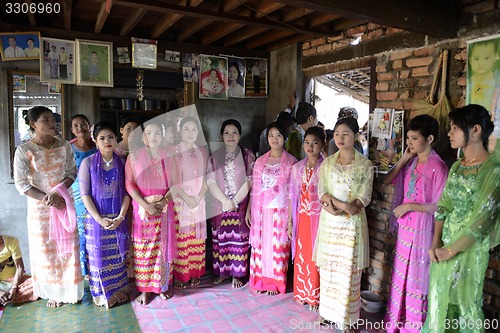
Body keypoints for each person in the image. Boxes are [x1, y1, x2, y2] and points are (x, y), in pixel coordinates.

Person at [422, 104, 499, 333]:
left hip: (469, 252)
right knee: (438, 301)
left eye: (455, 128)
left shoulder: (493, 170)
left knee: (464, 306)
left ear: (475, 131)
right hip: (444, 247)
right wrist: (436, 242)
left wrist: (452, 250)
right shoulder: (456, 166)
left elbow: (483, 220)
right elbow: (443, 206)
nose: (449, 133)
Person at [383, 115, 448, 332]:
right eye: (408, 138)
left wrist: (410, 206)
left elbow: (440, 206)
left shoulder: (438, 167)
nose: (409, 142)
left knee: (416, 281)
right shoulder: (412, 162)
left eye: (414, 138)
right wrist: (403, 158)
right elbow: (388, 178)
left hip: (422, 231)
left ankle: (413, 327)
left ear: (429, 138)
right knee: (401, 277)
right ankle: (397, 324)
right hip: (405, 230)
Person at [14, 106, 83, 308]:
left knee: (68, 248)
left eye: (53, 119)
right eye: (46, 120)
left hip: (64, 205)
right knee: (47, 251)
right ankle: (54, 292)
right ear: (33, 124)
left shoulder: (64, 145)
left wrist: (58, 194)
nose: (52, 123)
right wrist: (49, 199)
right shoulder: (25, 150)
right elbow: (22, 184)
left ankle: (71, 290)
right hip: (40, 211)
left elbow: (72, 172)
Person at [314, 117, 374, 329]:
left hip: (351, 226)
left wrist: (351, 206)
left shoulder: (365, 164)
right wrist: (339, 206)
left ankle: (347, 319)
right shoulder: (328, 163)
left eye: (345, 134)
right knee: (329, 269)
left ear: (355, 135)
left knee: (348, 271)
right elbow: (321, 191)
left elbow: (364, 196)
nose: (340, 138)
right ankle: (327, 312)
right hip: (330, 222)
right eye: (337, 134)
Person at [79, 121, 130, 309]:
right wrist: (99, 219)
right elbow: (84, 194)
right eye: (102, 138)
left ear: (116, 139)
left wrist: (121, 217)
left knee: (117, 258)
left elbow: (127, 193)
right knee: (98, 257)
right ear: (95, 140)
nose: (107, 141)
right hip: (96, 220)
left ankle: (118, 291)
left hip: (118, 219)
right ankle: (101, 293)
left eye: (110, 137)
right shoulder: (88, 163)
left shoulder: (122, 163)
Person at [125, 120, 176, 305]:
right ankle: (145, 290)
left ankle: (161, 287)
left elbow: (175, 184)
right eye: (149, 133)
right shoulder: (134, 157)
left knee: (162, 250)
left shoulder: (169, 156)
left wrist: (163, 201)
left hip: (163, 210)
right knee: (144, 251)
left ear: (161, 137)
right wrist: (144, 205)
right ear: (143, 137)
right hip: (143, 211)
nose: (153, 137)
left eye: (157, 133)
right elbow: (129, 184)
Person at [247, 122, 297, 295]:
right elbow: (254, 189)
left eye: (278, 135)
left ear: (285, 138)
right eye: (271, 135)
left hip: (281, 212)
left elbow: (292, 193)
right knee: (260, 247)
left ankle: (276, 284)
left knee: (277, 247)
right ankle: (260, 281)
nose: (274, 139)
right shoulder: (260, 161)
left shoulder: (291, 162)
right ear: (266, 138)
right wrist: (248, 211)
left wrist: (291, 220)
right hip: (261, 212)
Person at [208, 120, 255, 288]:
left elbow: (250, 180)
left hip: (239, 206)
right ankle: (223, 273)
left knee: (238, 243)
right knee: (221, 242)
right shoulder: (215, 157)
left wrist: (234, 201)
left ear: (240, 135)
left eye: (234, 132)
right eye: (226, 132)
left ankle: (237, 275)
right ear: (221, 135)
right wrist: (225, 201)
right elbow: (211, 182)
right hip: (221, 206)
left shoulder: (247, 155)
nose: (230, 136)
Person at [288, 126, 325, 311]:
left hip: (319, 220)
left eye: (315, 143)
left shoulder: (326, 167)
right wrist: (290, 222)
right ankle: (301, 293)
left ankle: (315, 296)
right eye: (307, 142)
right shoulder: (297, 168)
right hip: (301, 217)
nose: (310, 146)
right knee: (302, 255)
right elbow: (292, 197)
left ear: (322, 145)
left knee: (315, 256)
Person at [170, 116, 208, 289]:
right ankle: (180, 275)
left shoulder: (202, 151)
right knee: (182, 240)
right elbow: (172, 181)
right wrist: (187, 198)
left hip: (199, 201)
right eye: (187, 129)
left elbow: (208, 178)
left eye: (194, 129)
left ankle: (194, 272)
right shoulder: (174, 151)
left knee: (196, 239)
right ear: (180, 131)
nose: (190, 133)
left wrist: (199, 198)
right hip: (180, 201)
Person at [70, 114, 97, 277]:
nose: (80, 128)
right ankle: (85, 271)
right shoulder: (68, 149)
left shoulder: (99, 145)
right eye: (75, 126)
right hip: (78, 197)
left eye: (83, 124)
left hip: (98, 195)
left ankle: (97, 266)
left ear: (89, 125)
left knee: (97, 231)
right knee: (82, 234)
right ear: (72, 130)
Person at [0, 235, 38, 307]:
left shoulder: (11, 241)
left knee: (38, 284)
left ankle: (8, 297)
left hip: (16, 280)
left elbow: (20, 267)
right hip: (1, 285)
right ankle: (7, 297)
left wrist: (14, 288)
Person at [467, 40, 500, 110]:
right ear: (470, 60)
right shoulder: (469, 83)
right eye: (476, 59)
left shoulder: (498, 78)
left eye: (486, 58)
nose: (481, 63)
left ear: (495, 57)